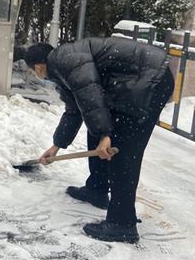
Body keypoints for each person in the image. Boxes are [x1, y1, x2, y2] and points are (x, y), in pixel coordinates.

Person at [24, 37, 174, 243]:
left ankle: (122, 224)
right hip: (136, 80)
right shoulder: (62, 64)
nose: (36, 75)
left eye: (33, 71)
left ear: (39, 67)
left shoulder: (67, 61)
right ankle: (97, 189)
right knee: (96, 128)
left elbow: (90, 95)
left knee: (122, 149)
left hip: (148, 81)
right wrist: (57, 145)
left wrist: (106, 136)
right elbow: (75, 109)